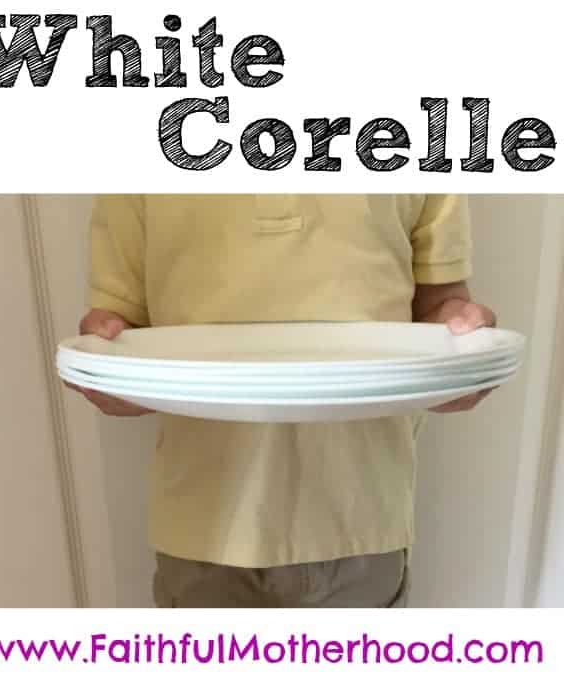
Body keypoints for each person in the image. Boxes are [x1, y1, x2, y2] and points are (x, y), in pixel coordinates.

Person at [68, 194, 496, 608]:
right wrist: (105, 362)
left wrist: (463, 343)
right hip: (204, 524)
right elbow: (122, 330)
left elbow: (439, 305)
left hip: (362, 521)